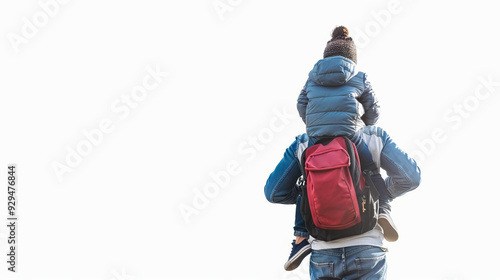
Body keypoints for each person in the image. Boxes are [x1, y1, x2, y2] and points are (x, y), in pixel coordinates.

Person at [285, 25, 394, 271]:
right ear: (351, 57)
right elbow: (373, 107)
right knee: (368, 170)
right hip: (351, 135)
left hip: (316, 138)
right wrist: (366, 126)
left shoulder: (311, 77)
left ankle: (300, 236)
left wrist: (314, 126)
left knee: (308, 178)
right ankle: (384, 208)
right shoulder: (359, 75)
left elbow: (301, 104)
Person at [264, 126, 421, 279]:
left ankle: (300, 240)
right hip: (367, 247)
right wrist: (378, 196)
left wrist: (307, 197)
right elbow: (410, 178)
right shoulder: (373, 136)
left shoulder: (303, 143)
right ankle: (381, 211)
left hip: (323, 253)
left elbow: (274, 193)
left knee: (304, 190)